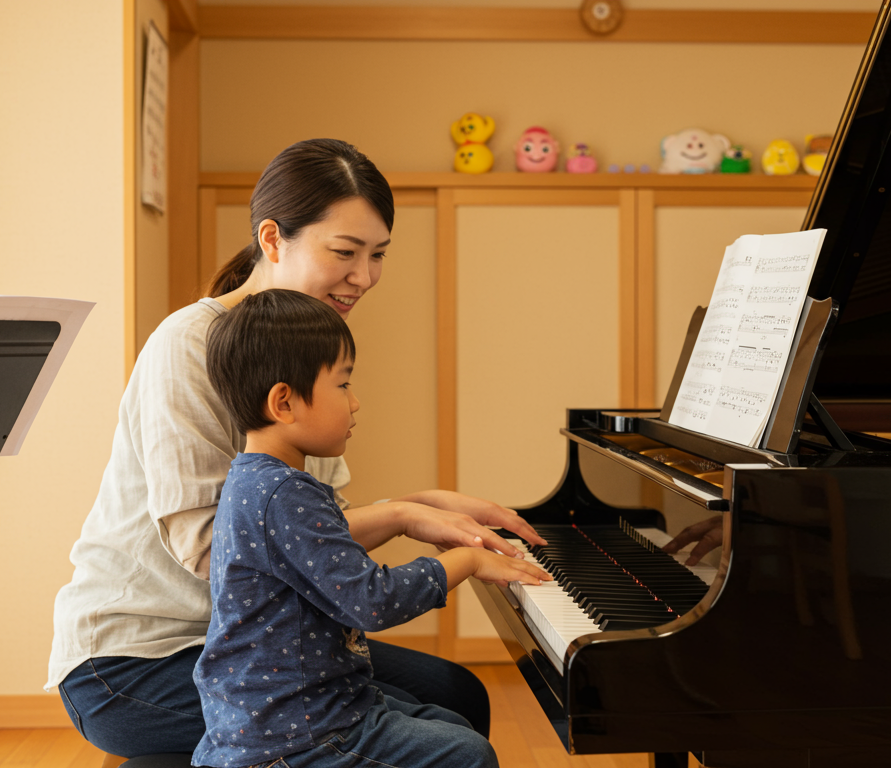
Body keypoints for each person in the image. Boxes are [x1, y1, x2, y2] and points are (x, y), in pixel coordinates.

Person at [48, 138, 545, 759]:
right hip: (142, 657)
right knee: (439, 725)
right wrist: (403, 515)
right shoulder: (189, 344)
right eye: (345, 252)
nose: (363, 277)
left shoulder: (299, 343)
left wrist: (420, 505)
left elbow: (307, 532)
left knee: (456, 693)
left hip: (255, 634)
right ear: (273, 239)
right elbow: (214, 549)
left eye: (378, 255)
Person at [195, 289, 550, 768]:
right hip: (292, 734)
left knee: (455, 727)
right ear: (284, 402)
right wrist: (465, 560)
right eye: (343, 385)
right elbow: (371, 601)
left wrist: (416, 508)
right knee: (468, 754)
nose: (356, 402)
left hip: (305, 707)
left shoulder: (257, 480)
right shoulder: (283, 493)